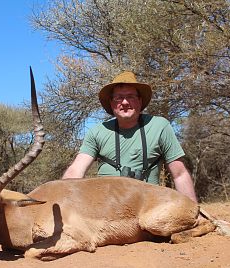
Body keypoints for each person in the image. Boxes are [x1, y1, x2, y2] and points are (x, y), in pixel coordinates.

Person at [62, 71, 198, 203]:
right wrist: (60, 197)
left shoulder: (160, 126)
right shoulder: (97, 131)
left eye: (131, 96)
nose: (125, 102)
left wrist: (193, 210)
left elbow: (179, 174)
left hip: (149, 206)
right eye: (119, 97)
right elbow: (76, 170)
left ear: (139, 100)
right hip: (105, 208)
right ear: (111, 103)